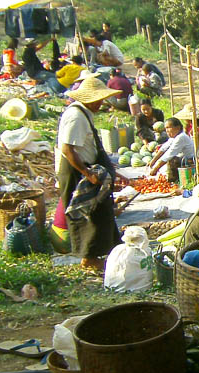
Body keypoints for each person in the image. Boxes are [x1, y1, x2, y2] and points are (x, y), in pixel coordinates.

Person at [56, 77, 123, 270]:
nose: (100, 103)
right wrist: (87, 173)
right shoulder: (76, 116)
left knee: (101, 211)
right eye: (98, 100)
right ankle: (88, 258)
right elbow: (68, 149)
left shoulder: (84, 114)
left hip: (87, 167)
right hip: (76, 169)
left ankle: (100, 253)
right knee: (87, 214)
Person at [148, 118, 195, 182]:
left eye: (168, 128)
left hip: (188, 162)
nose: (166, 130)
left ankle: (175, 180)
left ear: (177, 128)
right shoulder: (175, 137)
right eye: (166, 128)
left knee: (171, 160)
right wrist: (153, 161)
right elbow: (163, 148)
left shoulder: (181, 137)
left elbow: (169, 154)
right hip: (182, 159)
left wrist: (156, 168)